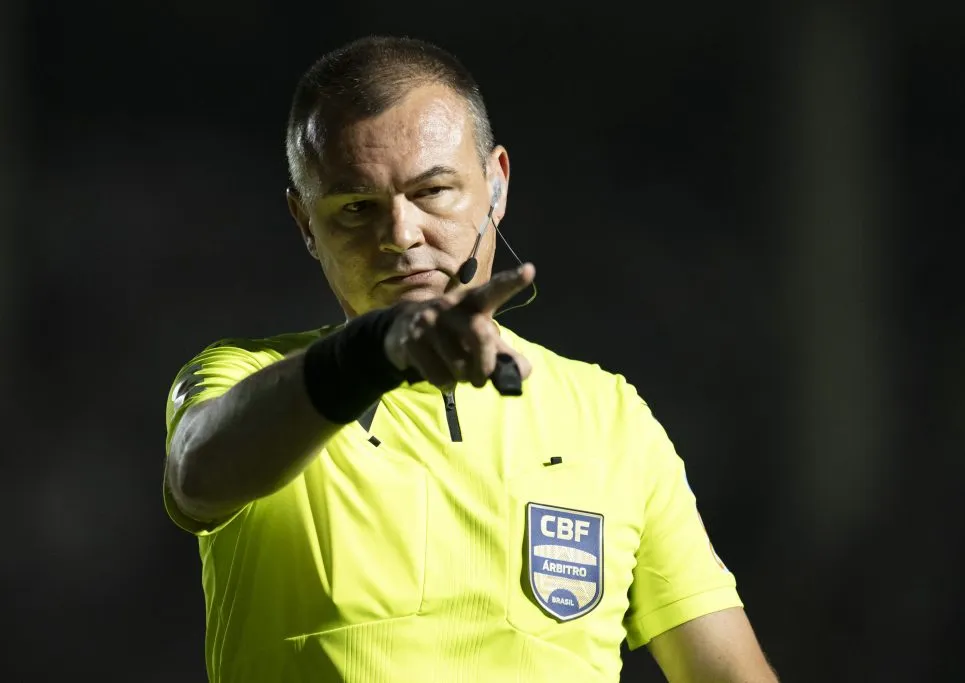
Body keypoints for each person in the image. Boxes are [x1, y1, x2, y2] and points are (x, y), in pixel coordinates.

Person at [163, 35, 777, 683]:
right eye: (355, 208)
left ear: (496, 184)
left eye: (432, 191)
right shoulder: (243, 379)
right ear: (304, 222)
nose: (400, 234)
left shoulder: (609, 419)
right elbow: (199, 473)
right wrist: (372, 352)